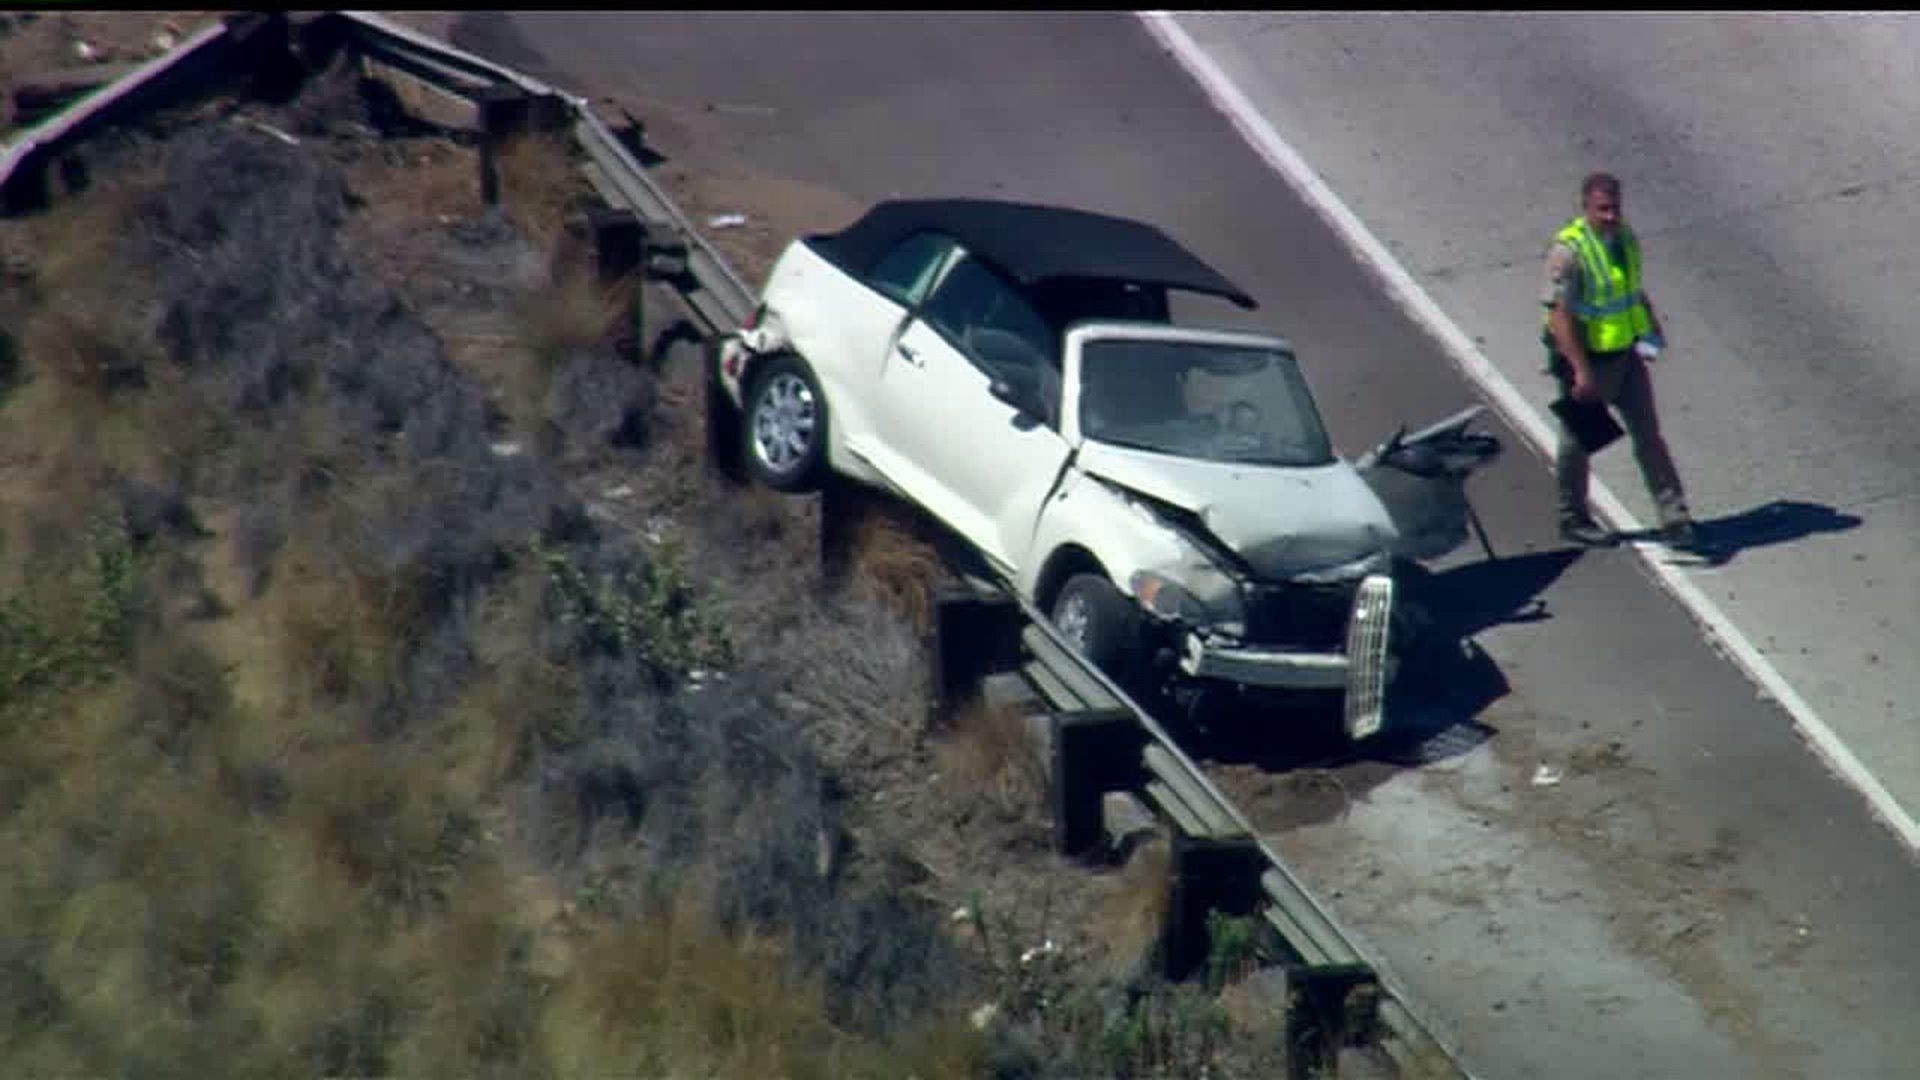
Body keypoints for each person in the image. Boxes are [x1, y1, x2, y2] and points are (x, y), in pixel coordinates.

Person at [1541, 171, 1699, 550]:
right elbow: (1558, 318)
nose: (1611, 215)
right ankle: (1573, 518)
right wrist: (1580, 371)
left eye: (1615, 208)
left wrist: (1651, 327)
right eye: (1603, 209)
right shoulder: (1569, 252)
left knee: (1648, 434)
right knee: (1580, 442)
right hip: (1587, 361)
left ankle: (1674, 516)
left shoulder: (1625, 238)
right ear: (1586, 208)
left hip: (1625, 356)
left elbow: (1631, 289)